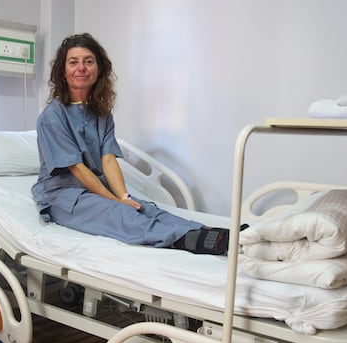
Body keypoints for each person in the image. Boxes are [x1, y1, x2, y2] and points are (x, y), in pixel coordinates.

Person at [31, 33, 231, 255]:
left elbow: (108, 159)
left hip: (96, 188)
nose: (82, 68)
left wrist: (123, 197)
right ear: (62, 71)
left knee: (146, 209)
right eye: (73, 62)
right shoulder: (53, 116)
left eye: (89, 61)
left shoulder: (101, 113)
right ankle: (189, 240)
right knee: (121, 215)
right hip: (64, 195)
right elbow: (76, 167)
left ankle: (214, 234)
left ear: (99, 69)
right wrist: (114, 201)